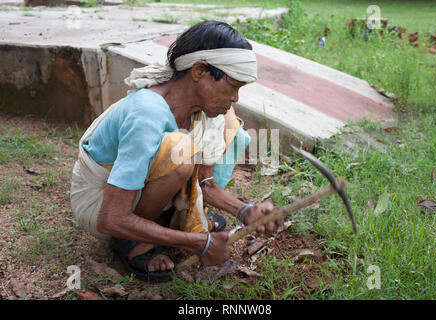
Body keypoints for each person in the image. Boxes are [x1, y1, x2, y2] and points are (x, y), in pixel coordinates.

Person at [70, 20, 283, 283]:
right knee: (181, 152)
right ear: (200, 71)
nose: (236, 97)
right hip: (100, 203)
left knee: (227, 123)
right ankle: (130, 241)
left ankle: (159, 219)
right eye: (233, 86)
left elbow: (206, 184)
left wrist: (245, 210)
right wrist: (198, 242)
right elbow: (110, 218)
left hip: (130, 197)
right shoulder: (147, 112)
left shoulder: (205, 110)